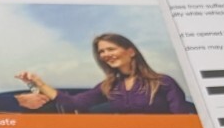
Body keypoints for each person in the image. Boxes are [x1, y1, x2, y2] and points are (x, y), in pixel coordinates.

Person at [16, 33, 196, 115]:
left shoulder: (163, 82)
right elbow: (74, 103)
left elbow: (181, 119)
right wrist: (38, 83)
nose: (105, 54)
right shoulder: (109, 86)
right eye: (101, 52)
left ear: (131, 51)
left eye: (111, 49)